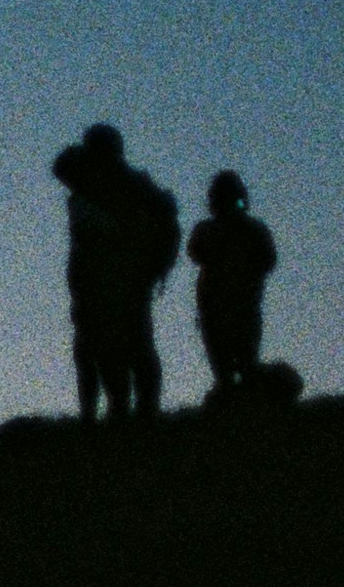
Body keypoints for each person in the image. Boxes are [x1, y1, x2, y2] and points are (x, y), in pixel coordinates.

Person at [49, 125, 183, 418]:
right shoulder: (96, 183)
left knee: (130, 345)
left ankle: (138, 410)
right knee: (104, 347)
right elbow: (61, 165)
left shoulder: (130, 186)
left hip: (123, 279)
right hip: (96, 282)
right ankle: (123, 410)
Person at [186, 173, 286, 403]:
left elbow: (268, 260)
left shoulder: (252, 229)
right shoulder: (209, 229)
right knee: (221, 359)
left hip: (242, 303)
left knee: (244, 358)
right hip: (216, 303)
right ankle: (230, 398)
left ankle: (244, 399)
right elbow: (196, 252)